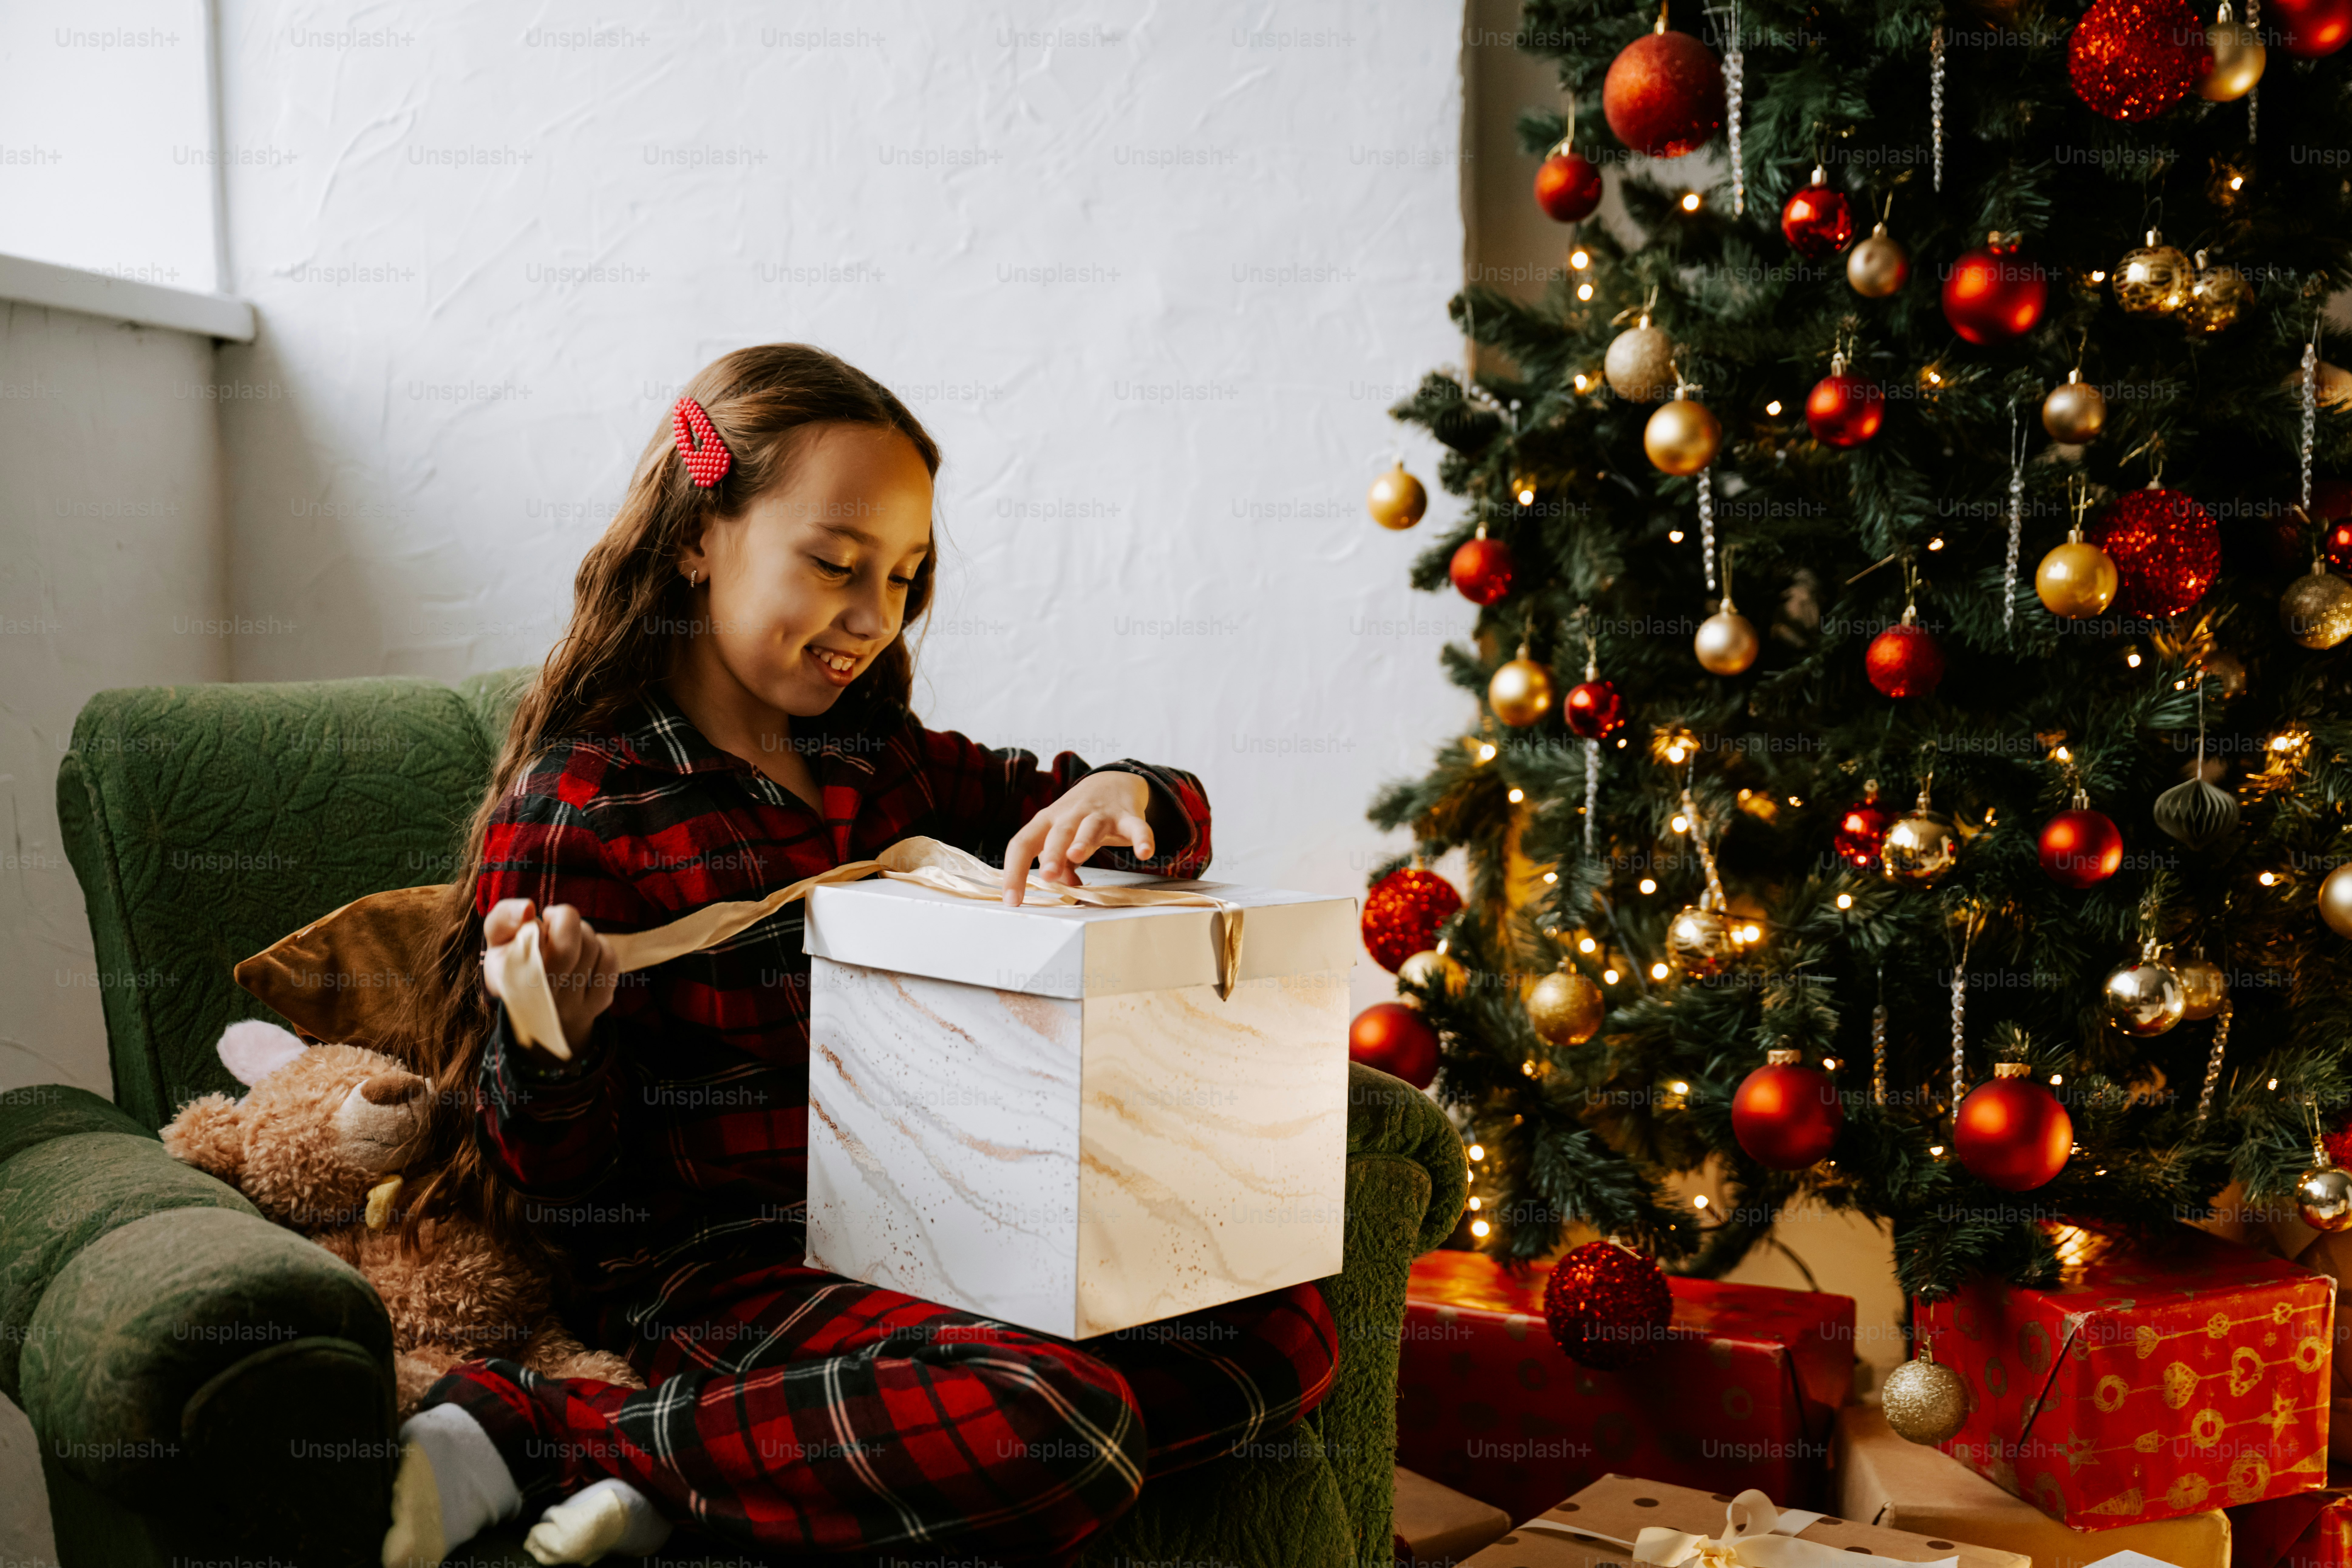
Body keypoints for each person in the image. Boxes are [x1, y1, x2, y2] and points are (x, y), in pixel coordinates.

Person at [379, 345, 1336, 1568]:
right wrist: (551, 1041)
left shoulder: (882, 764)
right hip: (721, 1274)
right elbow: (564, 1197)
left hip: (936, 1226)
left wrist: (1126, 793)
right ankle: (548, 1433)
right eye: (835, 564)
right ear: (696, 536)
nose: (874, 616)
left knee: (1282, 1326)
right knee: (1065, 1429)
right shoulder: (585, 809)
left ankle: (722, 1475)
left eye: (903, 575)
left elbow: (1131, 820)